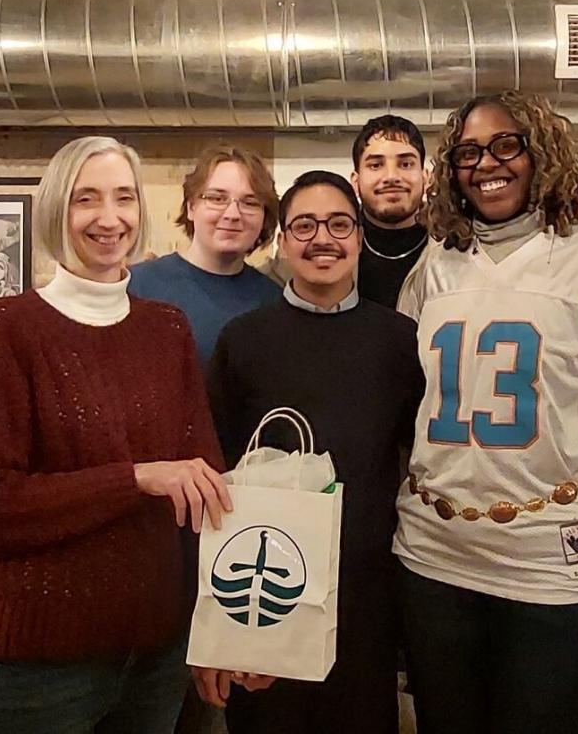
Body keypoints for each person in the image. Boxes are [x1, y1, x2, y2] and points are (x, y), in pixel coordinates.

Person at [394, 92, 578, 734]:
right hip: (432, 558)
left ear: (541, 153)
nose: (486, 163)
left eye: (506, 145)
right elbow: (402, 408)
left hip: (550, 568)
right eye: (468, 151)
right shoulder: (435, 263)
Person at [0, 135, 231, 734]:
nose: (109, 218)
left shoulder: (166, 329)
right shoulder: (10, 328)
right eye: (86, 199)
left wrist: (224, 634)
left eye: (123, 198)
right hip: (35, 669)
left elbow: (207, 495)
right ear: (58, 212)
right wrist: (135, 479)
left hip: (154, 659)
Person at [197, 170, 426, 734]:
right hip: (264, 593)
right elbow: (214, 474)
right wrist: (219, 629)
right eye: (304, 225)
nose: (322, 238)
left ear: (358, 237)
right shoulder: (243, 339)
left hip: (365, 596)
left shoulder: (399, 340)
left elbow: (416, 463)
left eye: (339, 224)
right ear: (281, 239)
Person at [129, 144, 282, 367]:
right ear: (191, 207)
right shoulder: (138, 286)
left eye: (250, 203)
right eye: (217, 198)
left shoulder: (273, 302)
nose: (232, 214)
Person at [350, 114, 429, 309]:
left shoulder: (453, 248)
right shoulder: (336, 247)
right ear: (355, 181)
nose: (392, 176)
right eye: (376, 165)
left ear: (426, 178)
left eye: (406, 164)